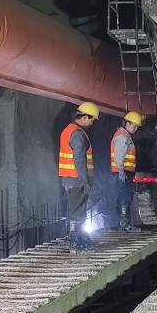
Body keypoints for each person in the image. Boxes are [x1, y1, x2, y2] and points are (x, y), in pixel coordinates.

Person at [59, 102, 98, 250]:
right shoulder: (77, 134)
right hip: (77, 180)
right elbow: (79, 159)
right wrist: (85, 181)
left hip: (70, 179)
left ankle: (80, 239)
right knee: (77, 212)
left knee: (78, 211)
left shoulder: (68, 130)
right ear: (84, 117)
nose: (92, 123)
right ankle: (75, 243)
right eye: (92, 119)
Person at [109, 111, 143, 231]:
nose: (136, 128)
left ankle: (122, 224)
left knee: (122, 197)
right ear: (127, 123)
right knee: (124, 197)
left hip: (123, 172)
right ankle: (124, 224)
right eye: (135, 125)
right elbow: (119, 156)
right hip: (123, 173)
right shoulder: (122, 136)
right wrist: (121, 172)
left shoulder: (124, 135)